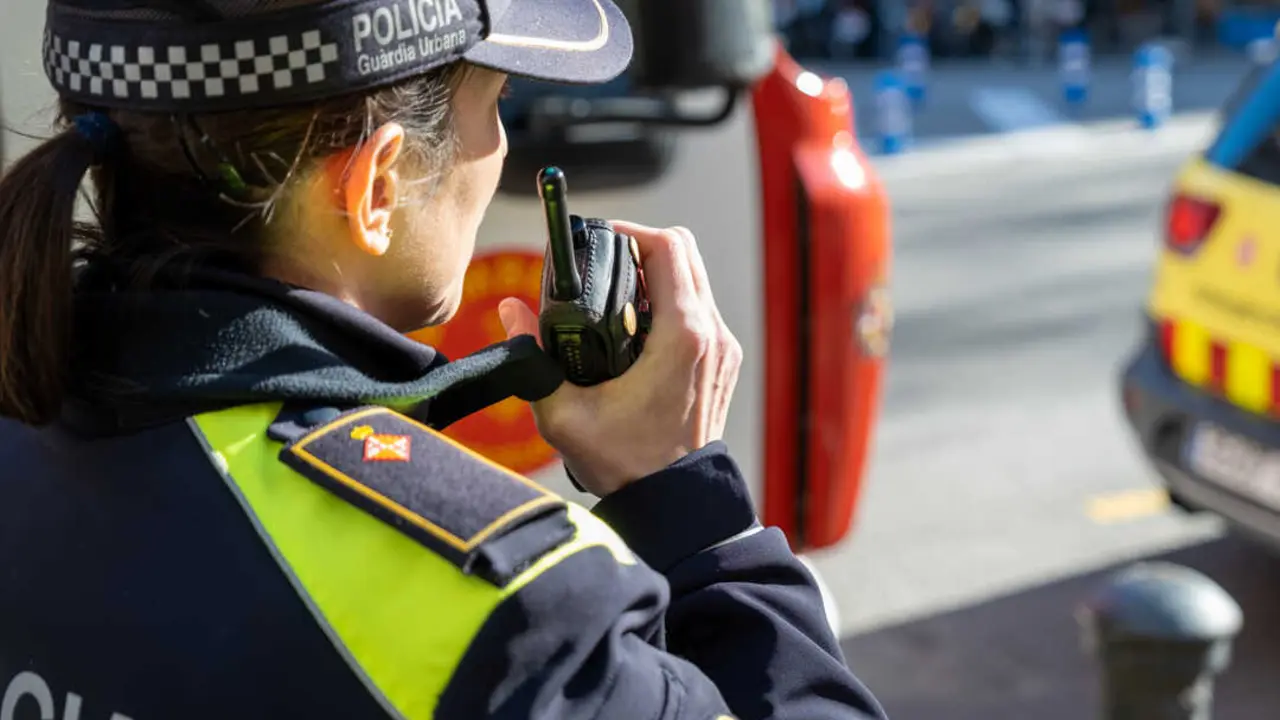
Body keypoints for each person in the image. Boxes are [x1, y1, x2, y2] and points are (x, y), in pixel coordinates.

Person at [0, 0, 888, 718]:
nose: (498, 150)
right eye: (494, 101)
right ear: (376, 187)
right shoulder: (517, 615)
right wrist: (691, 506)